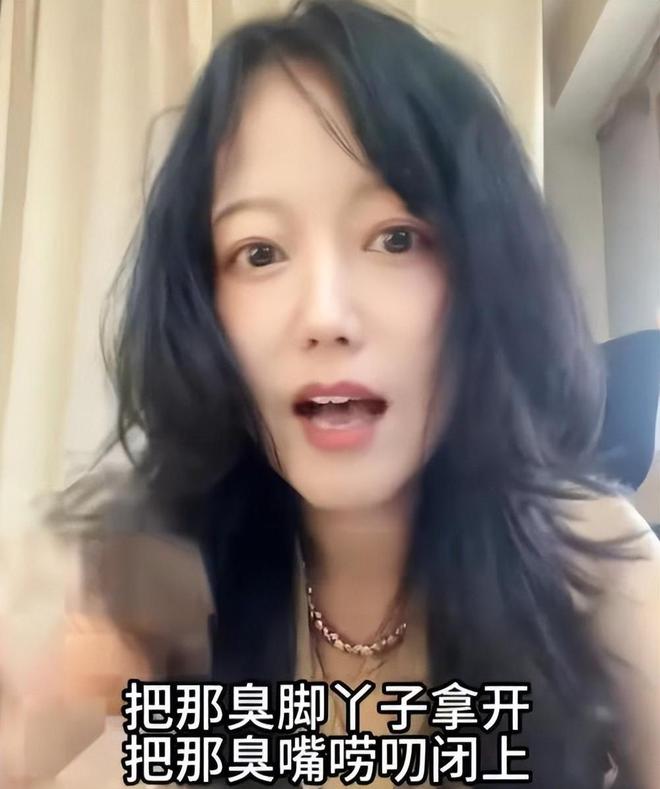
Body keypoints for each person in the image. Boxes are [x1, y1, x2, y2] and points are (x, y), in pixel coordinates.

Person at [1, 1, 658, 787]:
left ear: (487, 269)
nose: (324, 316)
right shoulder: (140, 572)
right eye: (260, 252)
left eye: (396, 237)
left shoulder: (587, 557)